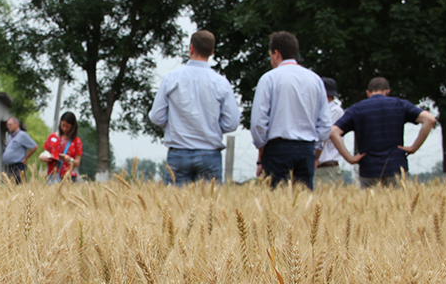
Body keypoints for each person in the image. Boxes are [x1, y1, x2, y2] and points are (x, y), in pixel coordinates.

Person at [148, 30, 241, 185]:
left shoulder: (172, 78)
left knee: (175, 207)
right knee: (209, 207)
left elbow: (156, 116)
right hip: (210, 153)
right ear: (212, 52)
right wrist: (211, 127)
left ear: (191, 48)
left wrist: (175, 123)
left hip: (178, 153)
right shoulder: (221, 82)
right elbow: (232, 122)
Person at [249, 31, 331, 190]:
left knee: (276, 203)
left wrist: (262, 149)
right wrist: (316, 150)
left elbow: (259, 122)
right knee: (304, 205)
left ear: (276, 53)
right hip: (307, 147)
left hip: (277, 148)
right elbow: (325, 124)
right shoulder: (315, 79)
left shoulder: (269, 78)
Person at [328, 77, 438, 188]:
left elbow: (333, 132)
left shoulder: (357, 109)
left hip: (368, 168)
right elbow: (430, 119)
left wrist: (350, 158)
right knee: (398, 204)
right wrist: (414, 147)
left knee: (370, 204)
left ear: (368, 93)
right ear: (387, 91)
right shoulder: (399, 104)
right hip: (396, 166)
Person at [314, 77, 347, 187]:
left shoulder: (334, 111)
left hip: (326, 167)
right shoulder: (318, 110)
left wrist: (314, 158)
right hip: (317, 167)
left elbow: (323, 135)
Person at [42, 112, 83, 183]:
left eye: (68, 127)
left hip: (68, 177)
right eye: (63, 125)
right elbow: (45, 152)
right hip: (52, 175)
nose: (64, 128)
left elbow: (77, 162)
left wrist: (69, 159)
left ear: (72, 127)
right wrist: (43, 157)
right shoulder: (52, 137)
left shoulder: (76, 141)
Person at [1, 117, 38, 183]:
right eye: (7, 125)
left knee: (19, 186)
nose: (8, 127)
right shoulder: (10, 136)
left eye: (10, 124)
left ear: (16, 124)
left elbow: (34, 146)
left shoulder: (22, 135)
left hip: (18, 166)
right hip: (8, 166)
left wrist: (25, 158)